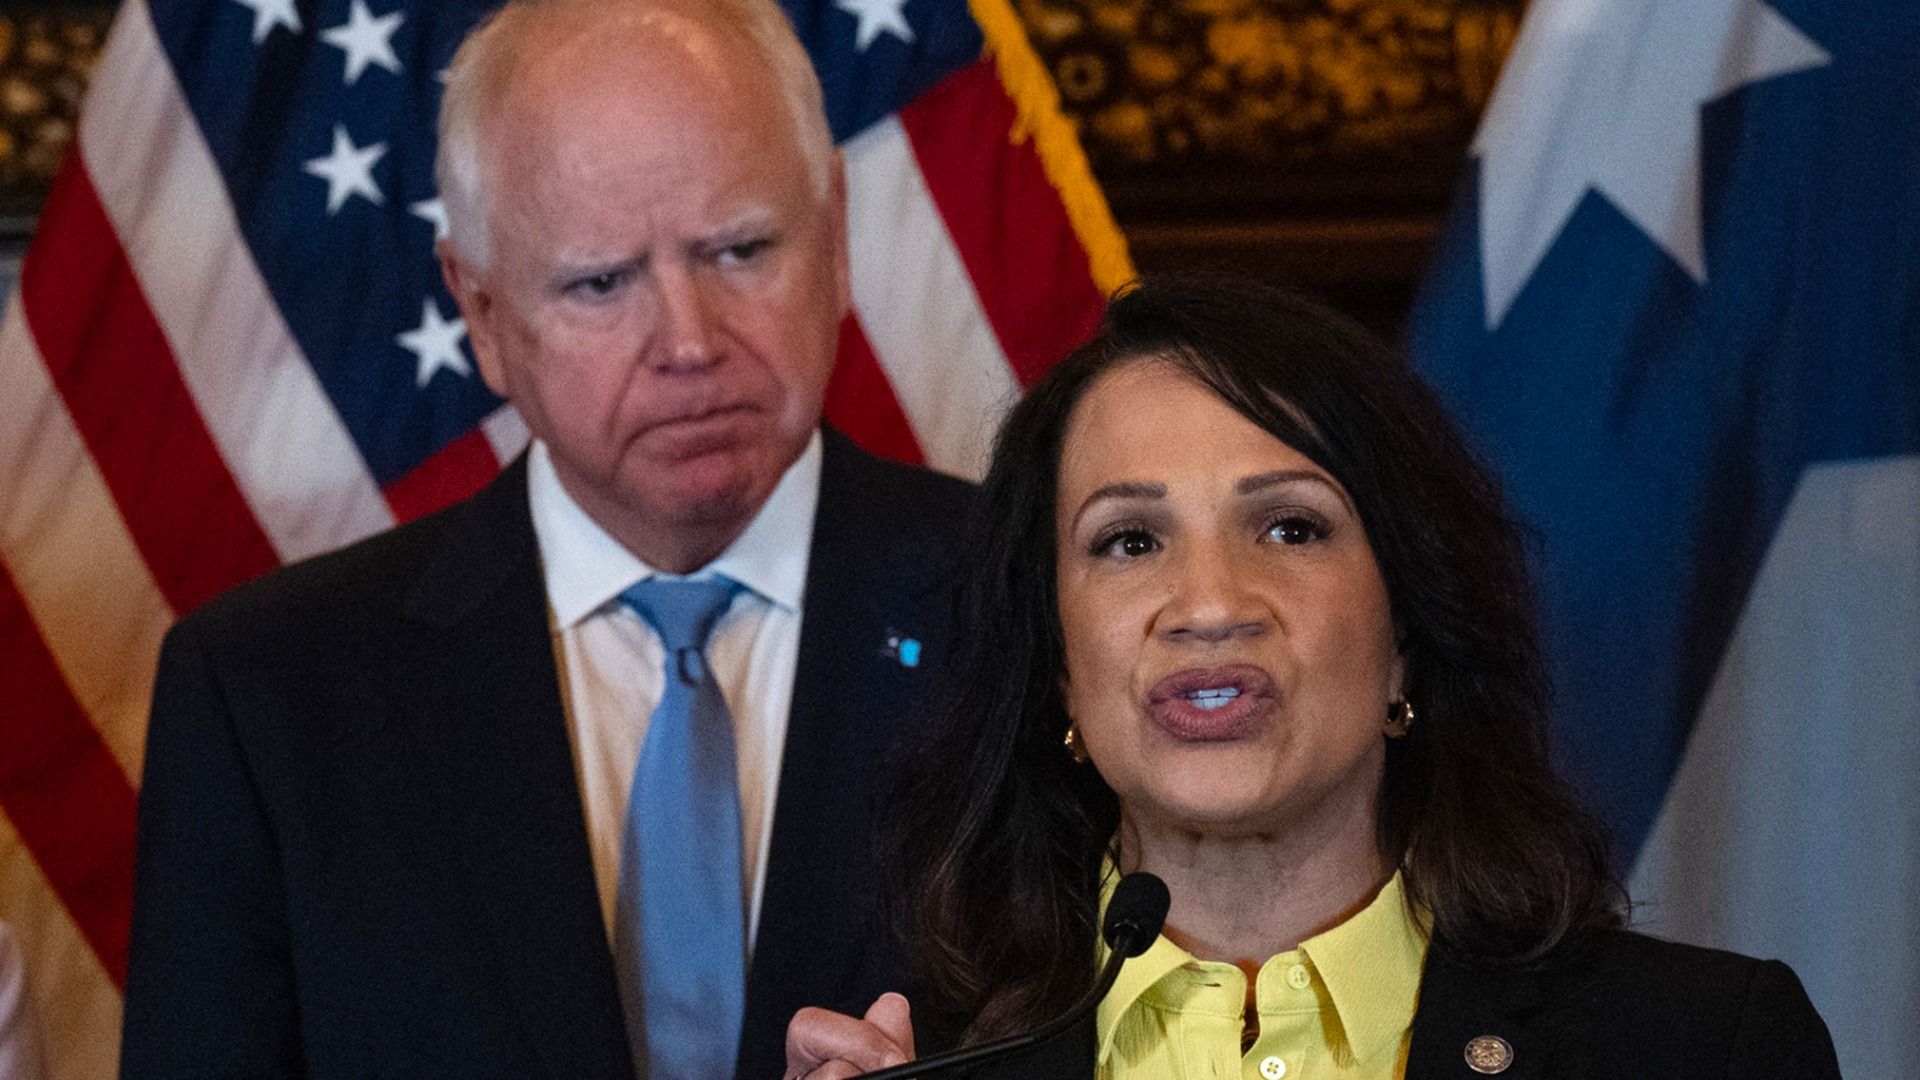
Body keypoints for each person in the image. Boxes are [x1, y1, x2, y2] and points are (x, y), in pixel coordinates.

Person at [119, 1, 972, 1078]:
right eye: (600, 282)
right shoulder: (268, 698)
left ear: (836, 236)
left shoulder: (1029, 608)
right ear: (479, 311)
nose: (691, 342)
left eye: (742, 249)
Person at [785, 277, 1840, 1079]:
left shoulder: (1706, 1048)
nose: (1209, 604)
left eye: (1290, 526)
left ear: (1406, 639)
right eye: (1129, 541)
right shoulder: (913, 1061)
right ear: (1058, 666)